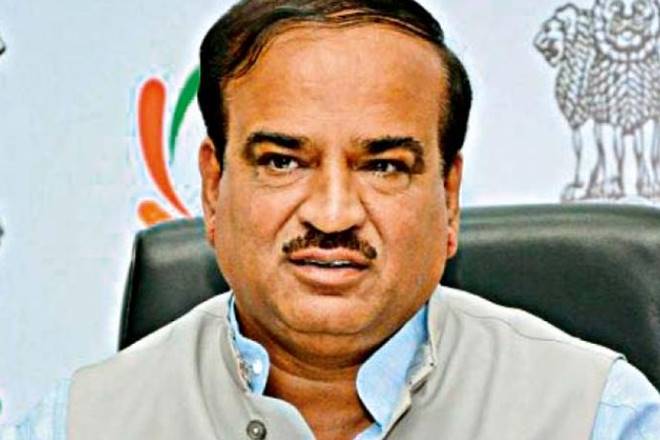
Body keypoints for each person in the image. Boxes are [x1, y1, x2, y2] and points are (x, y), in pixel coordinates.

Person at [3, 0, 659, 439]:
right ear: (213, 187)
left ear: (449, 197)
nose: (334, 212)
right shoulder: (79, 425)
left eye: (384, 166)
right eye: (283, 161)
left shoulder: (600, 417)